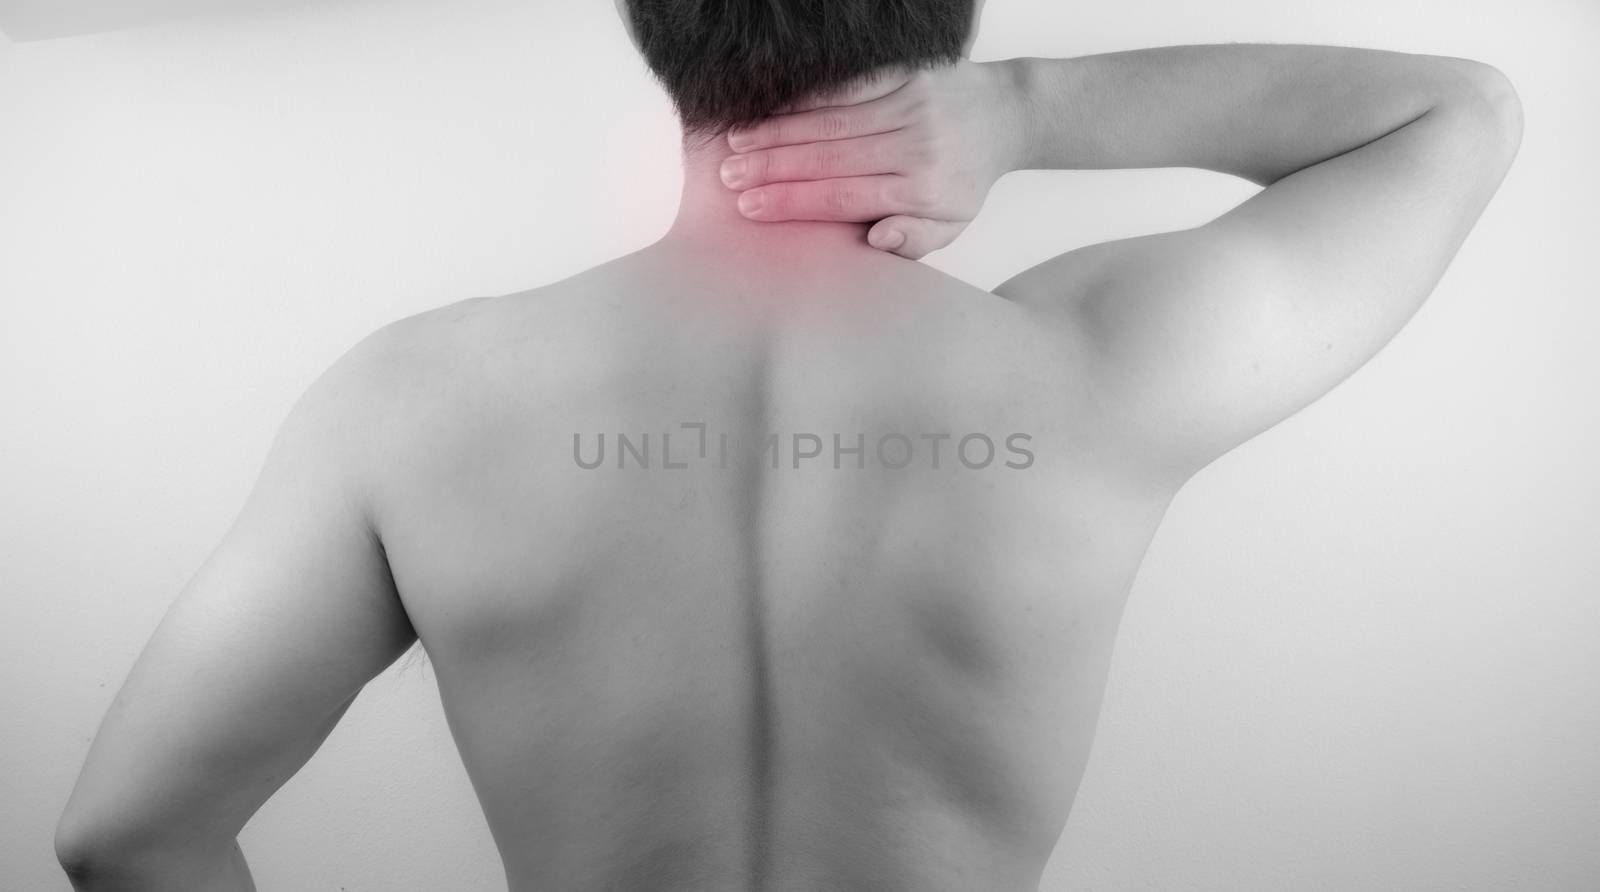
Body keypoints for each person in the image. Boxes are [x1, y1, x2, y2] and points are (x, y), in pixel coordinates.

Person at [53, 0, 1522, 888]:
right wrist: (1025, 109)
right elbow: (1454, 114)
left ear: (658, 32)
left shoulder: (415, 402)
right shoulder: (1087, 372)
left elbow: (124, 836)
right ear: (940, 26)